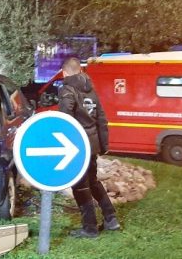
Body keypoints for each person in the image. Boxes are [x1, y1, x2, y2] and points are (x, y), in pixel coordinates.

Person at [58, 55, 120, 238]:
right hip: (92, 144)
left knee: (80, 185)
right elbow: (101, 118)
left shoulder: (67, 89)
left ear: (64, 71)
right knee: (92, 181)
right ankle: (111, 219)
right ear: (80, 70)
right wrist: (103, 145)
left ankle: (90, 228)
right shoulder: (91, 89)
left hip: (76, 145)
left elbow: (65, 119)